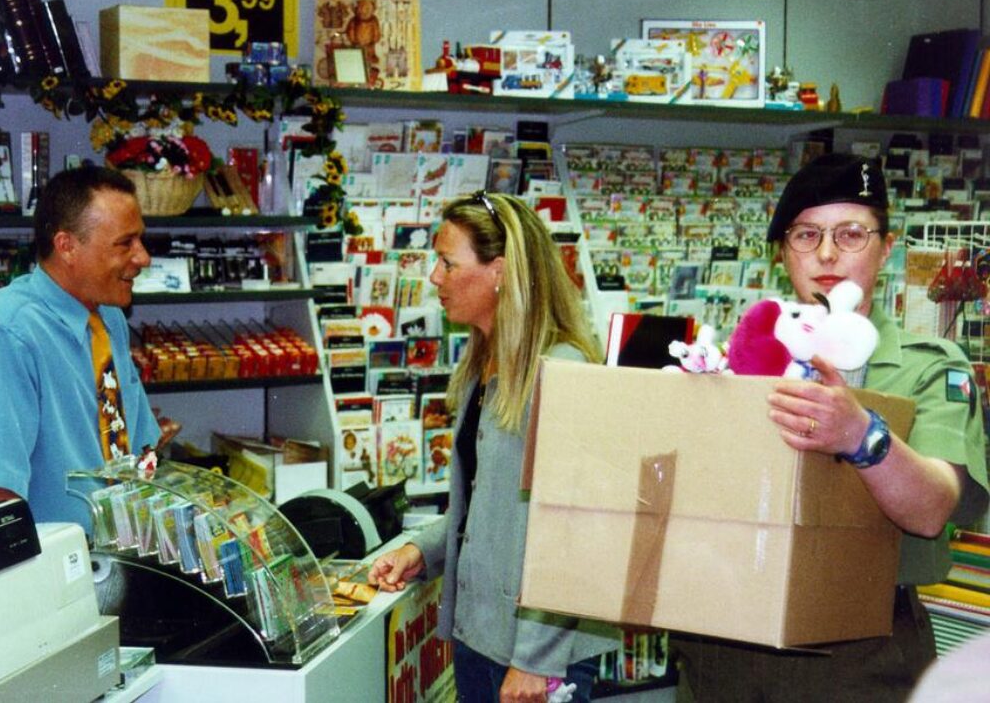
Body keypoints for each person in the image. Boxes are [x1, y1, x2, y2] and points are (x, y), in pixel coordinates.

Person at [675, 153, 989, 701]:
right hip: (725, 639)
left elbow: (933, 507)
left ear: (887, 249)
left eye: (850, 234)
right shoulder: (737, 361)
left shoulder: (930, 366)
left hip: (860, 649)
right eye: (806, 234)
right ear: (781, 252)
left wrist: (862, 437)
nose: (825, 253)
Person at [368, 191, 617, 702]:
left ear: (500, 270)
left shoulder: (563, 372)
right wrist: (426, 549)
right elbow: (492, 505)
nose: (434, 278)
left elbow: (578, 532)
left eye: (447, 263)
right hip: (480, 637)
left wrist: (533, 661)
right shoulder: (484, 364)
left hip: (533, 656)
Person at [0, 166, 161, 529]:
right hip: (50, 570)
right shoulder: (6, 333)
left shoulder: (109, 319)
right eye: (125, 243)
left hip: (118, 562)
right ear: (67, 247)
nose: (143, 257)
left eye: (140, 240)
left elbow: (140, 449)